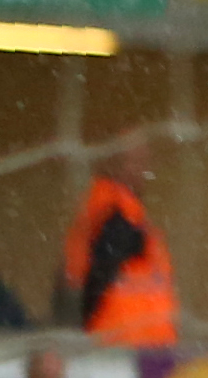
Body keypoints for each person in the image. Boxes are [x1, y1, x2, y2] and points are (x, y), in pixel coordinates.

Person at [62, 142, 178, 347]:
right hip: (120, 348)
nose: (143, 169)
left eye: (145, 160)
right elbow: (91, 284)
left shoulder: (127, 215)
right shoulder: (114, 216)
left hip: (143, 348)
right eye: (134, 161)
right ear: (113, 164)